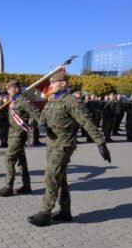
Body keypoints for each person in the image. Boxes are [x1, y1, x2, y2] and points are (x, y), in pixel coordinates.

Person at [27, 70, 111, 227]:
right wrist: (43, 125)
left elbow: (86, 121)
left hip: (64, 145)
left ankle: (45, 213)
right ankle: (65, 212)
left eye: (53, 83)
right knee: (61, 178)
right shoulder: (52, 100)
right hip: (52, 144)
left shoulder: (71, 101)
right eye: (50, 83)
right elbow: (42, 116)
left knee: (51, 177)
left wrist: (100, 143)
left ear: (63, 84)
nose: (50, 85)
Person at [0, 80, 41, 197]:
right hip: (13, 134)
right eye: (8, 90)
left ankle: (8, 187)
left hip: (20, 134)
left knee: (9, 158)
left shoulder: (23, 101)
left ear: (16, 88)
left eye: (10, 89)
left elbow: (35, 112)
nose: (9, 92)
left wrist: (44, 125)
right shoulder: (14, 101)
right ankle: (27, 186)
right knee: (21, 161)